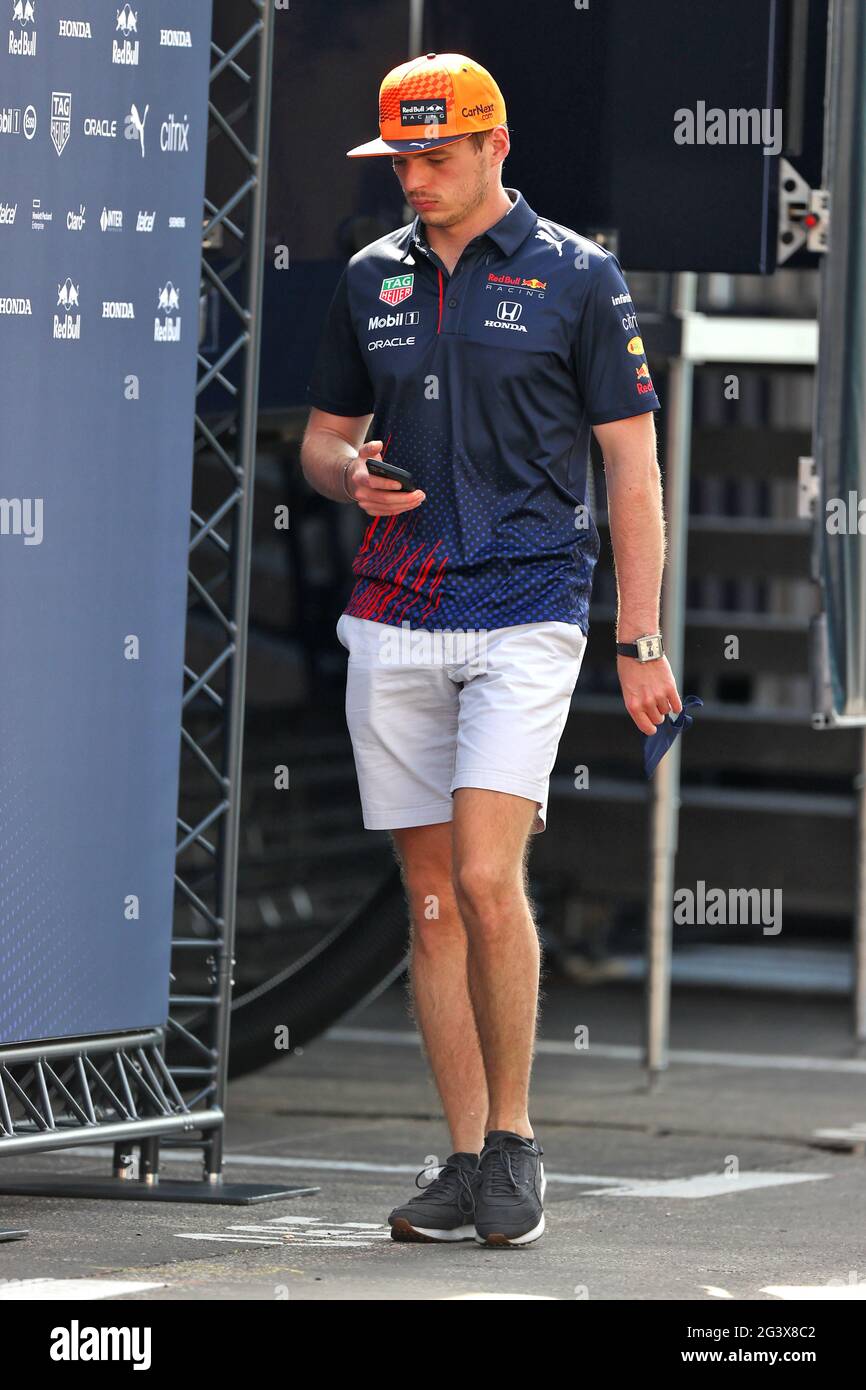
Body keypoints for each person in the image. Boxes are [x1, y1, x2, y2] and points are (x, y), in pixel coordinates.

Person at [300, 52, 682, 1247]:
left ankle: (514, 1138)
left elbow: (632, 466)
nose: (412, 178)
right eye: (397, 159)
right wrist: (346, 475)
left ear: (492, 146)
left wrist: (639, 638)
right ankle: (462, 1156)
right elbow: (319, 440)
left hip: (526, 610)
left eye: (433, 155)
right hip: (393, 613)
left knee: (479, 875)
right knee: (426, 898)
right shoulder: (369, 278)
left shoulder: (578, 277)